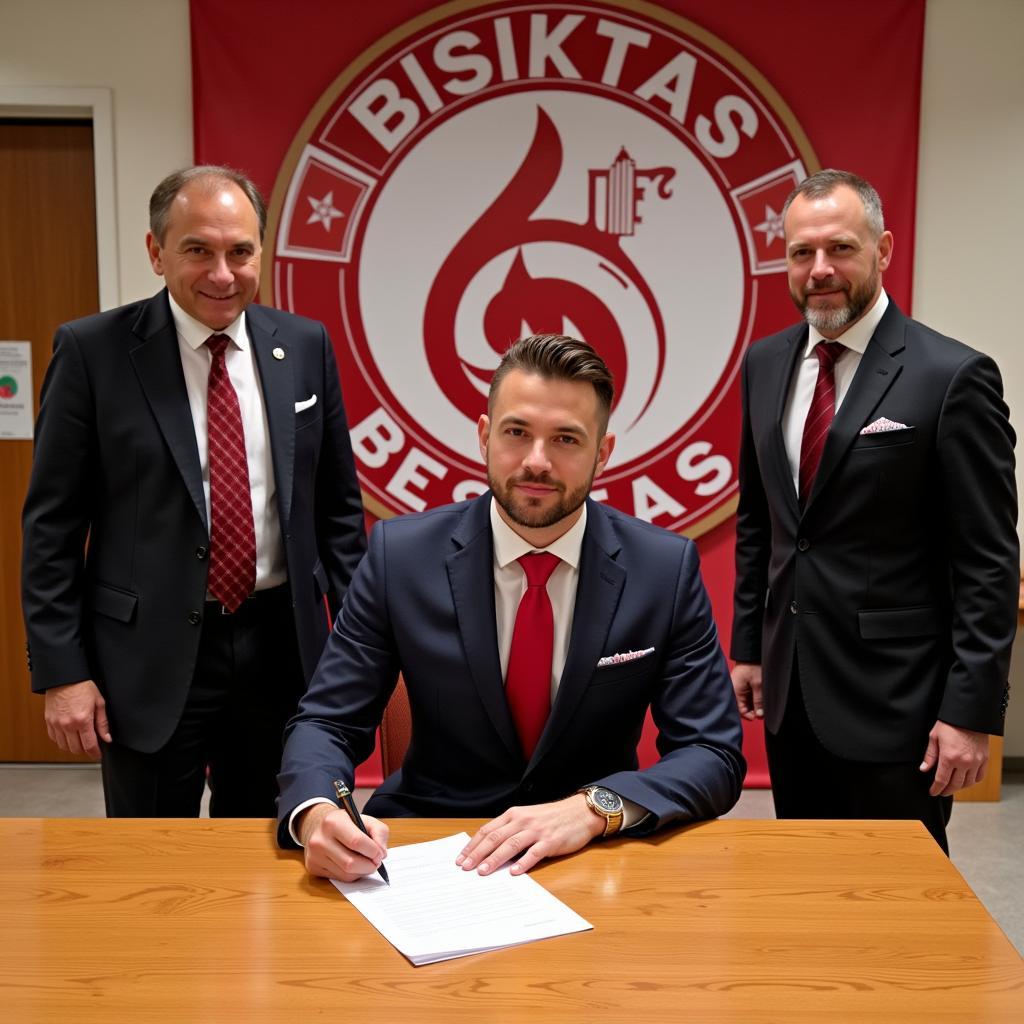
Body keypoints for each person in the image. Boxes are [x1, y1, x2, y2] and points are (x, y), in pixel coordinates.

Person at [278, 334, 745, 880]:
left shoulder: (663, 570)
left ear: (604, 451)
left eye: (567, 439)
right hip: (431, 849)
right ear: (483, 435)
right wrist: (316, 815)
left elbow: (712, 751)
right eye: (516, 433)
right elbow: (327, 722)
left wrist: (595, 808)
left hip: (592, 856)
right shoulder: (398, 557)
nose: (536, 462)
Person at [21, 165, 367, 816]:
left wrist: (360, 652)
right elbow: (52, 530)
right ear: (157, 252)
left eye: (240, 251)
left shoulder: (304, 345)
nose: (222, 274)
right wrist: (63, 671)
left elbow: (337, 517)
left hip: (281, 651)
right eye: (198, 251)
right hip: (144, 657)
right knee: (153, 862)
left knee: (273, 852)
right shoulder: (92, 353)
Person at [730, 169, 1018, 852]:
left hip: (899, 707)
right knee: (805, 885)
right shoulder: (765, 364)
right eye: (802, 253)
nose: (820, 269)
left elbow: (988, 563)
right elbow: (760, 520)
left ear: (883, 249)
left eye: (841, 249)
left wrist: (969, 713)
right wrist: (749, 645)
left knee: (905, 907)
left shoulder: (951, 376)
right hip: (793, 694)